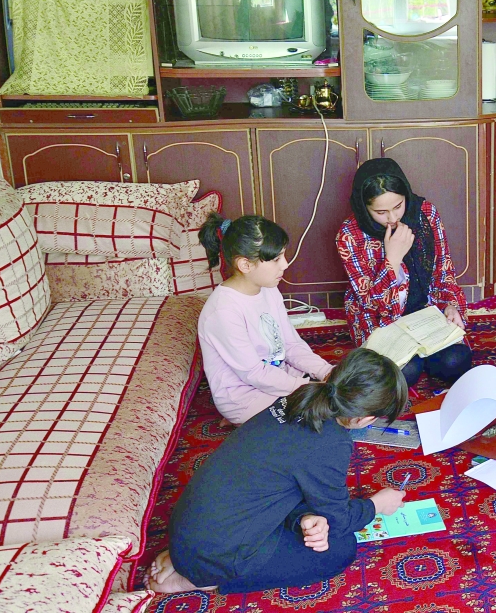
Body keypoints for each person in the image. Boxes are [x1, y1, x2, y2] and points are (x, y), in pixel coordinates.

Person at [147, 348, 409, 594]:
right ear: (365, 419)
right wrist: (377, 504)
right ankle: (200, 580)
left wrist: (305, 517)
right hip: (215, 554)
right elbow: (339, 520)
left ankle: (190, 561)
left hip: (189, 531)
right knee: (341, 549)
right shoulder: (332, 442)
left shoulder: (302, 396)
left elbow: (285, 472)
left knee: (302, 511)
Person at [337, 158, 471, 389]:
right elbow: (370, 303)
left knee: (456, 361)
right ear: (364, 207)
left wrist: (450, 306)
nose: (392, 218)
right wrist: (393, 259)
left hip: (426, 311)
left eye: (398, 206)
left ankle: (425, 352)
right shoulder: (350, 235)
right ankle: (418, 358)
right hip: (381, 320)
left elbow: (444, 269)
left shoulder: (425, 214)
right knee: (405, 372)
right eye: (380, 212)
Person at [198, 214, 334, 425]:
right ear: (245, 265)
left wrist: (327, 372)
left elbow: (290, 344)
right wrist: (308, 388)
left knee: (342, 392)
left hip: (274, 376)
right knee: (328, 415)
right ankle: (243, 421)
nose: (286, 265)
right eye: (276, 259)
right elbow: (253, 373)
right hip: (245, 395)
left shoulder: (268, 290)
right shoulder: (223, 311)